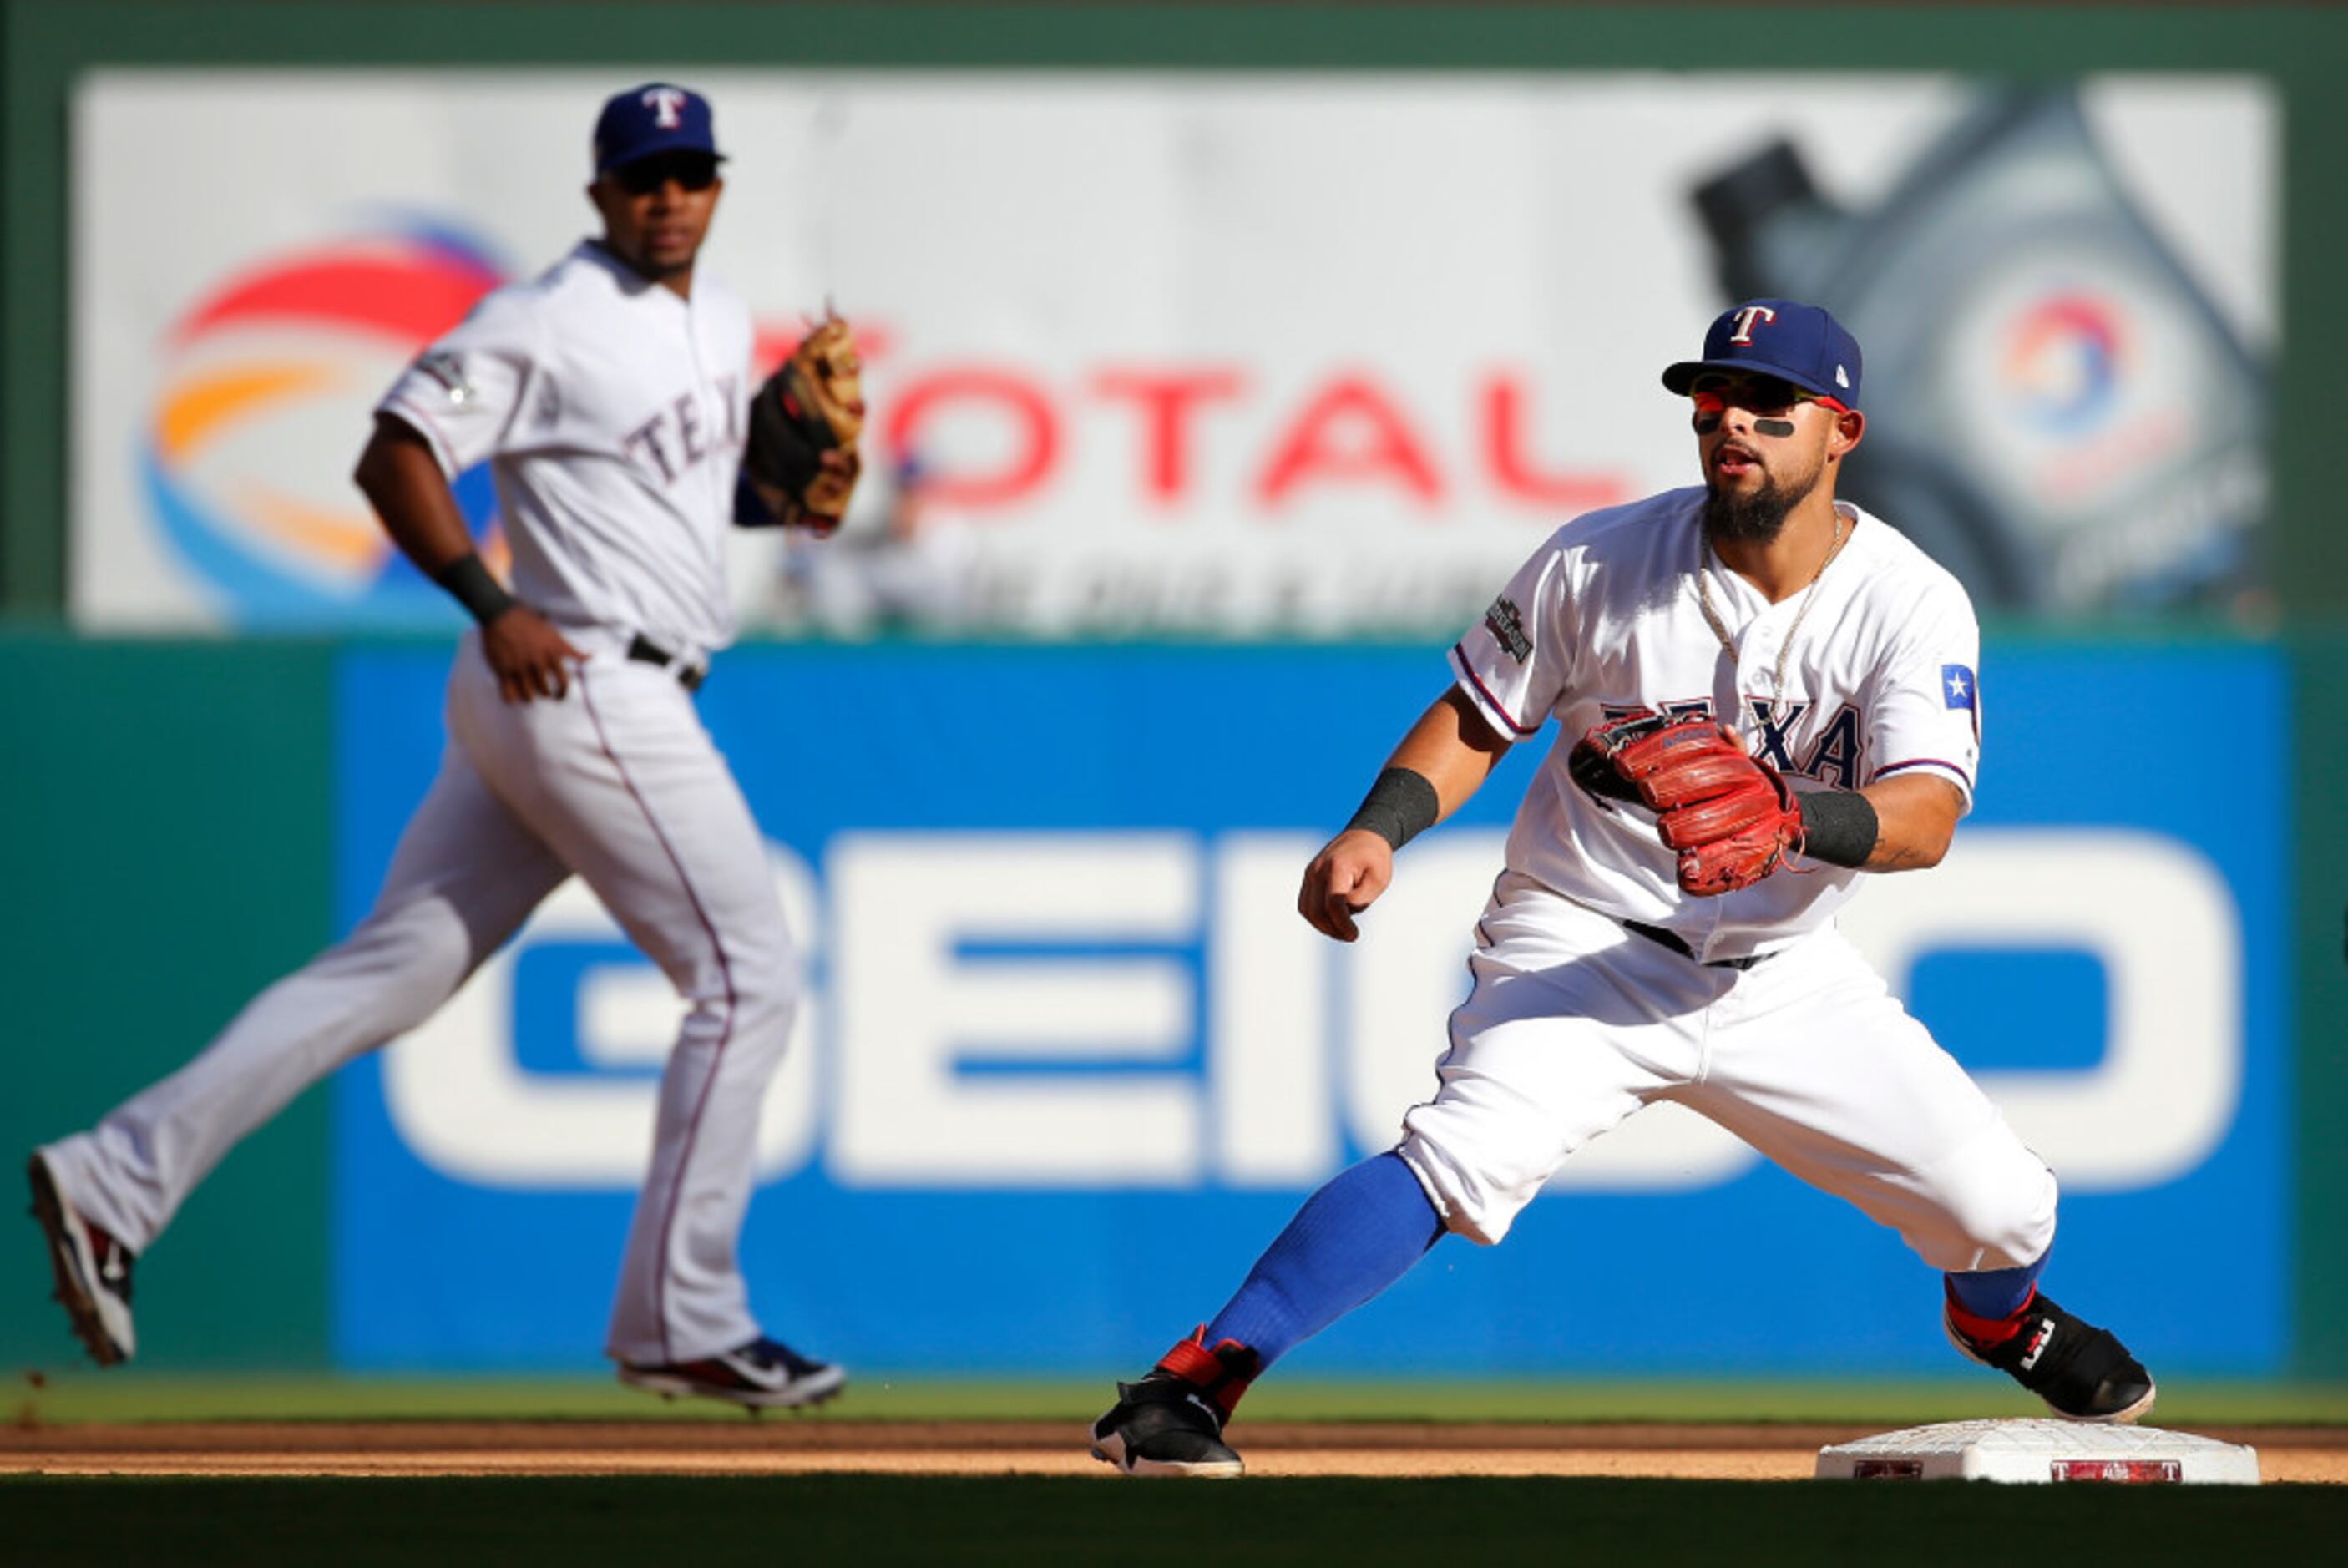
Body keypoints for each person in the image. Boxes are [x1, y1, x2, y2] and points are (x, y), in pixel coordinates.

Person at [1088, 299, 2155, 1478]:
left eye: (1767, 405)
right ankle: (1186, 1387)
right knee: (1461, 1154)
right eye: (1712, 401)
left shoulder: (1909, 599)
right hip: (1584, 935)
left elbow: (1927, 815)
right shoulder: (1598, 560)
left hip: (1782, 973)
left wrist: (1790, 812)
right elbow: (1478, 715)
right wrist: (1379, 827)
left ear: (1840, 427)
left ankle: (2001, 1319)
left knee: (2002, 1206)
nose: (1731, 424)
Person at [28, 83, 851, 1411]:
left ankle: (114, 1176)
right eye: (644, 176)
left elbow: (687, 503)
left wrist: (784, 485)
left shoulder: (720, 317)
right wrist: (491, 599)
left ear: (716, 186)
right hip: (582, 673)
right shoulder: (542, 317)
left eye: (691, 172)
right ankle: (682, 1314)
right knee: (749, 972)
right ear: (599, 193)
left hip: (585, 682)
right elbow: (396, 452)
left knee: (392, 970)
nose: (668, 196)